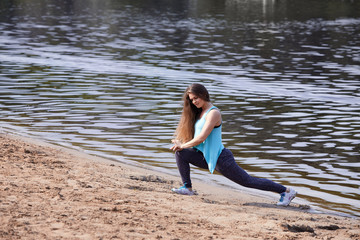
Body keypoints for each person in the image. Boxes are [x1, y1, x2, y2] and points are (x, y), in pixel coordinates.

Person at [170, 83, 297, 206]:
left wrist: (183, 145)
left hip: (221, 158)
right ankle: (187, 188)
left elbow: (201, 138)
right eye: (192, 100)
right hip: (206, 157)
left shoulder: (213, 113)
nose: (194, 102)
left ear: (203, 94)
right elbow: (197, 140)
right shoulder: (200, 112)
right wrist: (181, 145)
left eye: (196, 98)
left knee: (247, 181)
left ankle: (286, 191)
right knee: (180, 153)